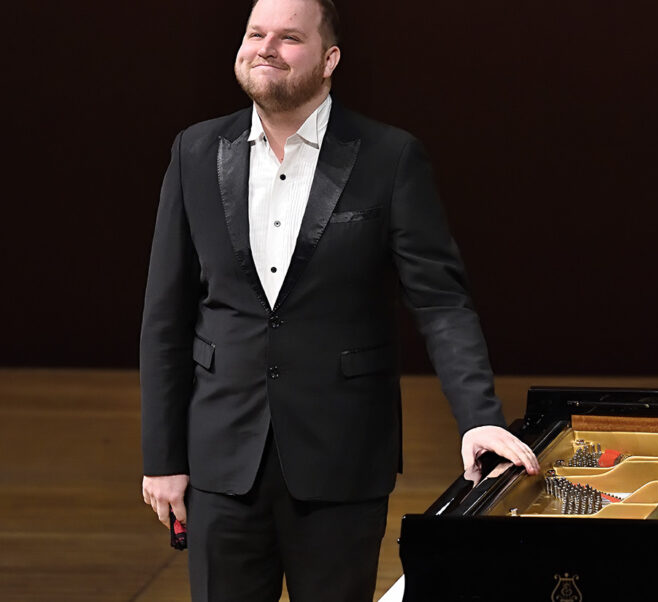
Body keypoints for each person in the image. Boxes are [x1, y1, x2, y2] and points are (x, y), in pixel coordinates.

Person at [140, 0, 539, 600]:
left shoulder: (390, 157)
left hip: (342, 459)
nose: (265, 47)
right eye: (255, 33)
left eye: (288, 37)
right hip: (220, 459)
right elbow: (165, 318)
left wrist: (479, 416)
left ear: (329, 60)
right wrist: (162, 457)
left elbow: (440, 304)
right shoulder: (194, 151)